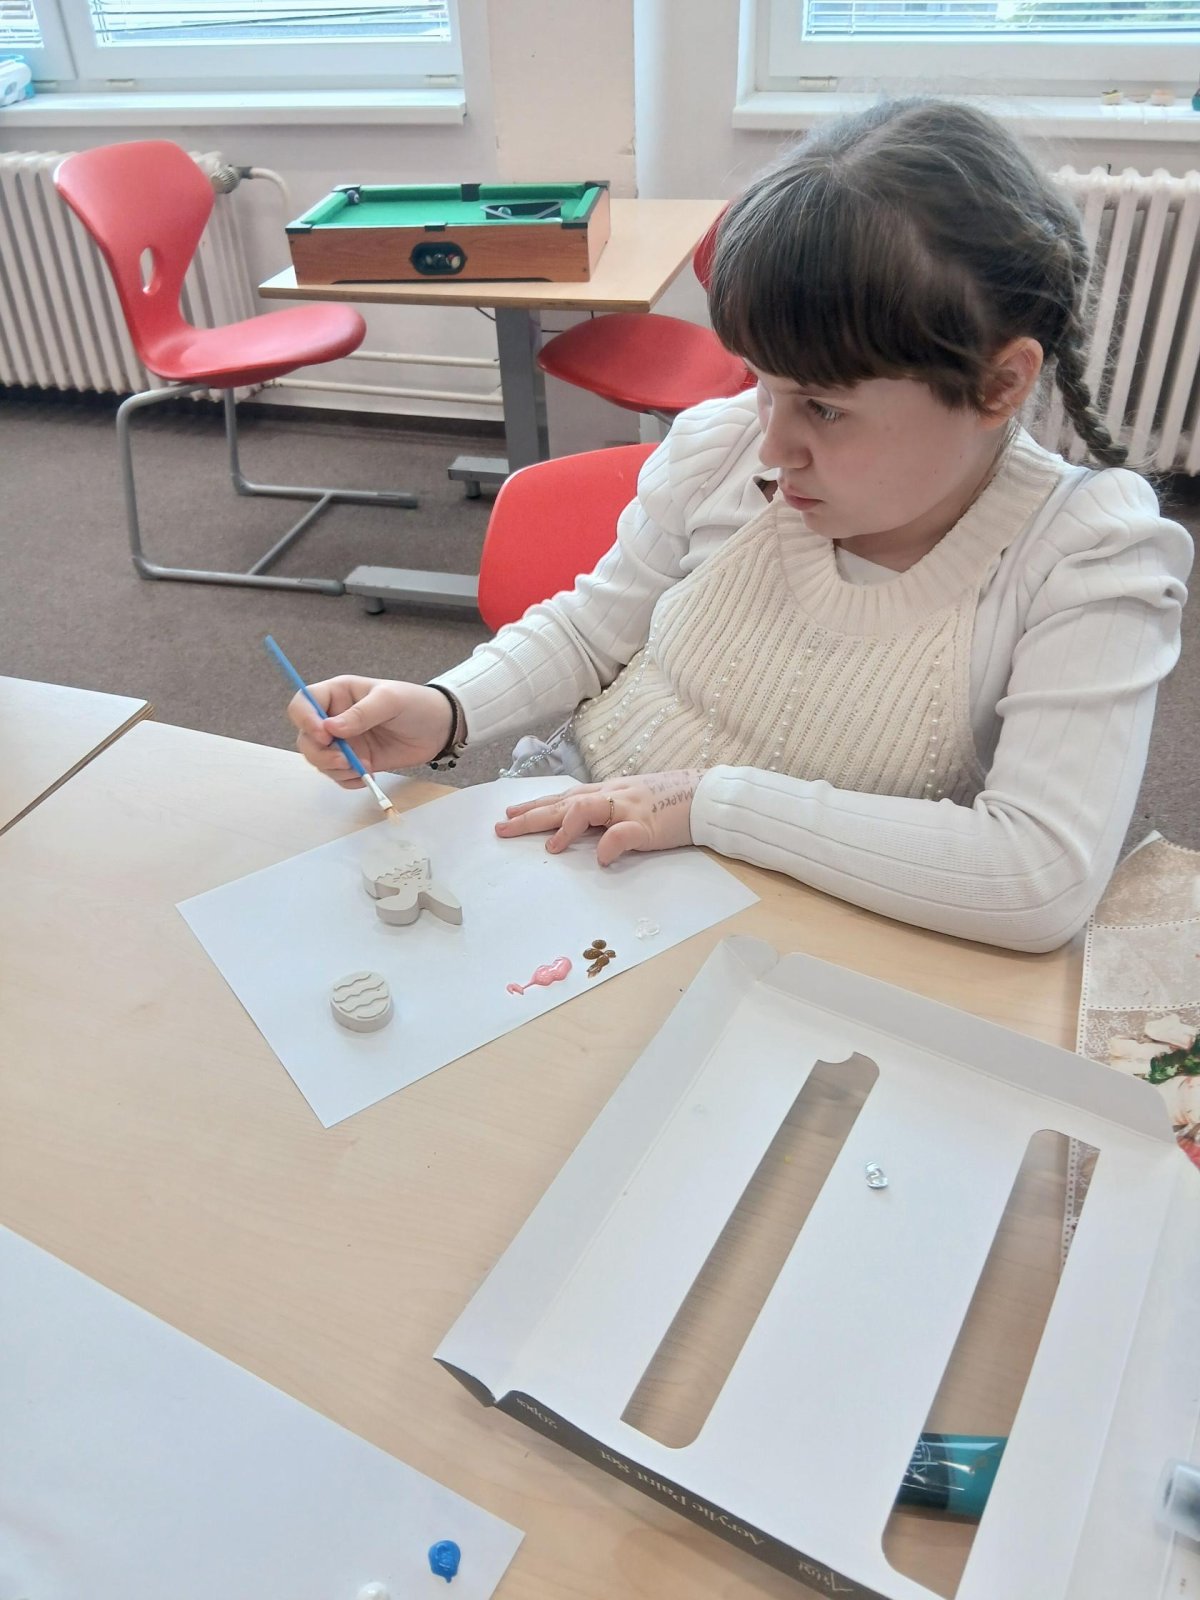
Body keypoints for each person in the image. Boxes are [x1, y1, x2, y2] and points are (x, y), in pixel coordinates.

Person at [290, 97, 1191, 954]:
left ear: (1000, 384)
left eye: (824, 408)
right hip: (579, 840)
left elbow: (1037, 875)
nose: (772, 444)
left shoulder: (1088, 552)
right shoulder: (722, 447)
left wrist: (709, 805)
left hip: (801, 928)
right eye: (761, 382)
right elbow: (593, 630)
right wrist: (449, 709)